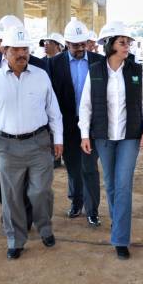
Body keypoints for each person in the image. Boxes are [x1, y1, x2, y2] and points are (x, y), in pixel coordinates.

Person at [0, 26, 63, 260]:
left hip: (39, 143)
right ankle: (15, 240)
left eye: (25, 49)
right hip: (8, 146)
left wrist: (58, 139)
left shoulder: (41, 76)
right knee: (11, 196)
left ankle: (45, 228)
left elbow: (54, 110)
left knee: (40, 191)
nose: (22, 54)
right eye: (16, 50)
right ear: (5, 51)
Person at [79, 21, 143, 260]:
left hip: (129, 137)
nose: (127, 46)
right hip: (103, 137)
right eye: (122, 42)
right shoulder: (95, 71)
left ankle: (120, 239)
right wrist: (84, 134)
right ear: (110, 44)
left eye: (128, 42)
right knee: (110, 184)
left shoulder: (135, 71)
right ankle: (117, 221)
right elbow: (86, 105)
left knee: (123, 185)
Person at [48, 18, 104, 226]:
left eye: (83, 44)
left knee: (89, 167)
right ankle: (76, 201)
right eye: (75, 45)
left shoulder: (99, 61)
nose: (80, 49)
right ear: (66, 44)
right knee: (73, 167)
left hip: (93, 124)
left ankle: (92, 210)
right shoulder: (54, 64)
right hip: (68, 125)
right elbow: (51, 97)